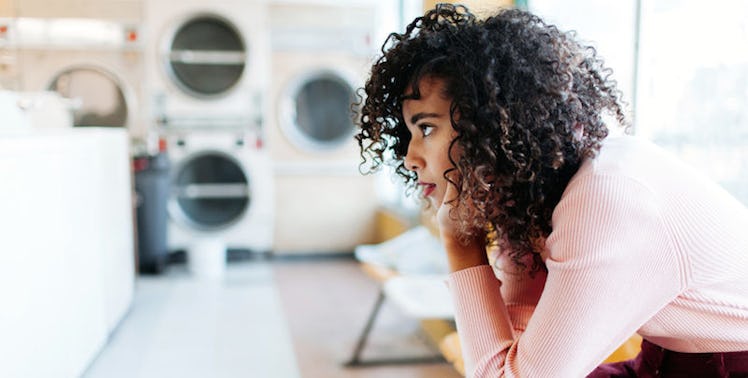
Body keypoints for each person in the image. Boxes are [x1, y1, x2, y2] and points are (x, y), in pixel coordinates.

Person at [355, 4, 748, 377]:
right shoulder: (536, 195)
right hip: (670, 360)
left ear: (488, 121)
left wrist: (460, 242)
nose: (409, 157)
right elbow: (514, 352)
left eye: (425, 128)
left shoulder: (605, 196)